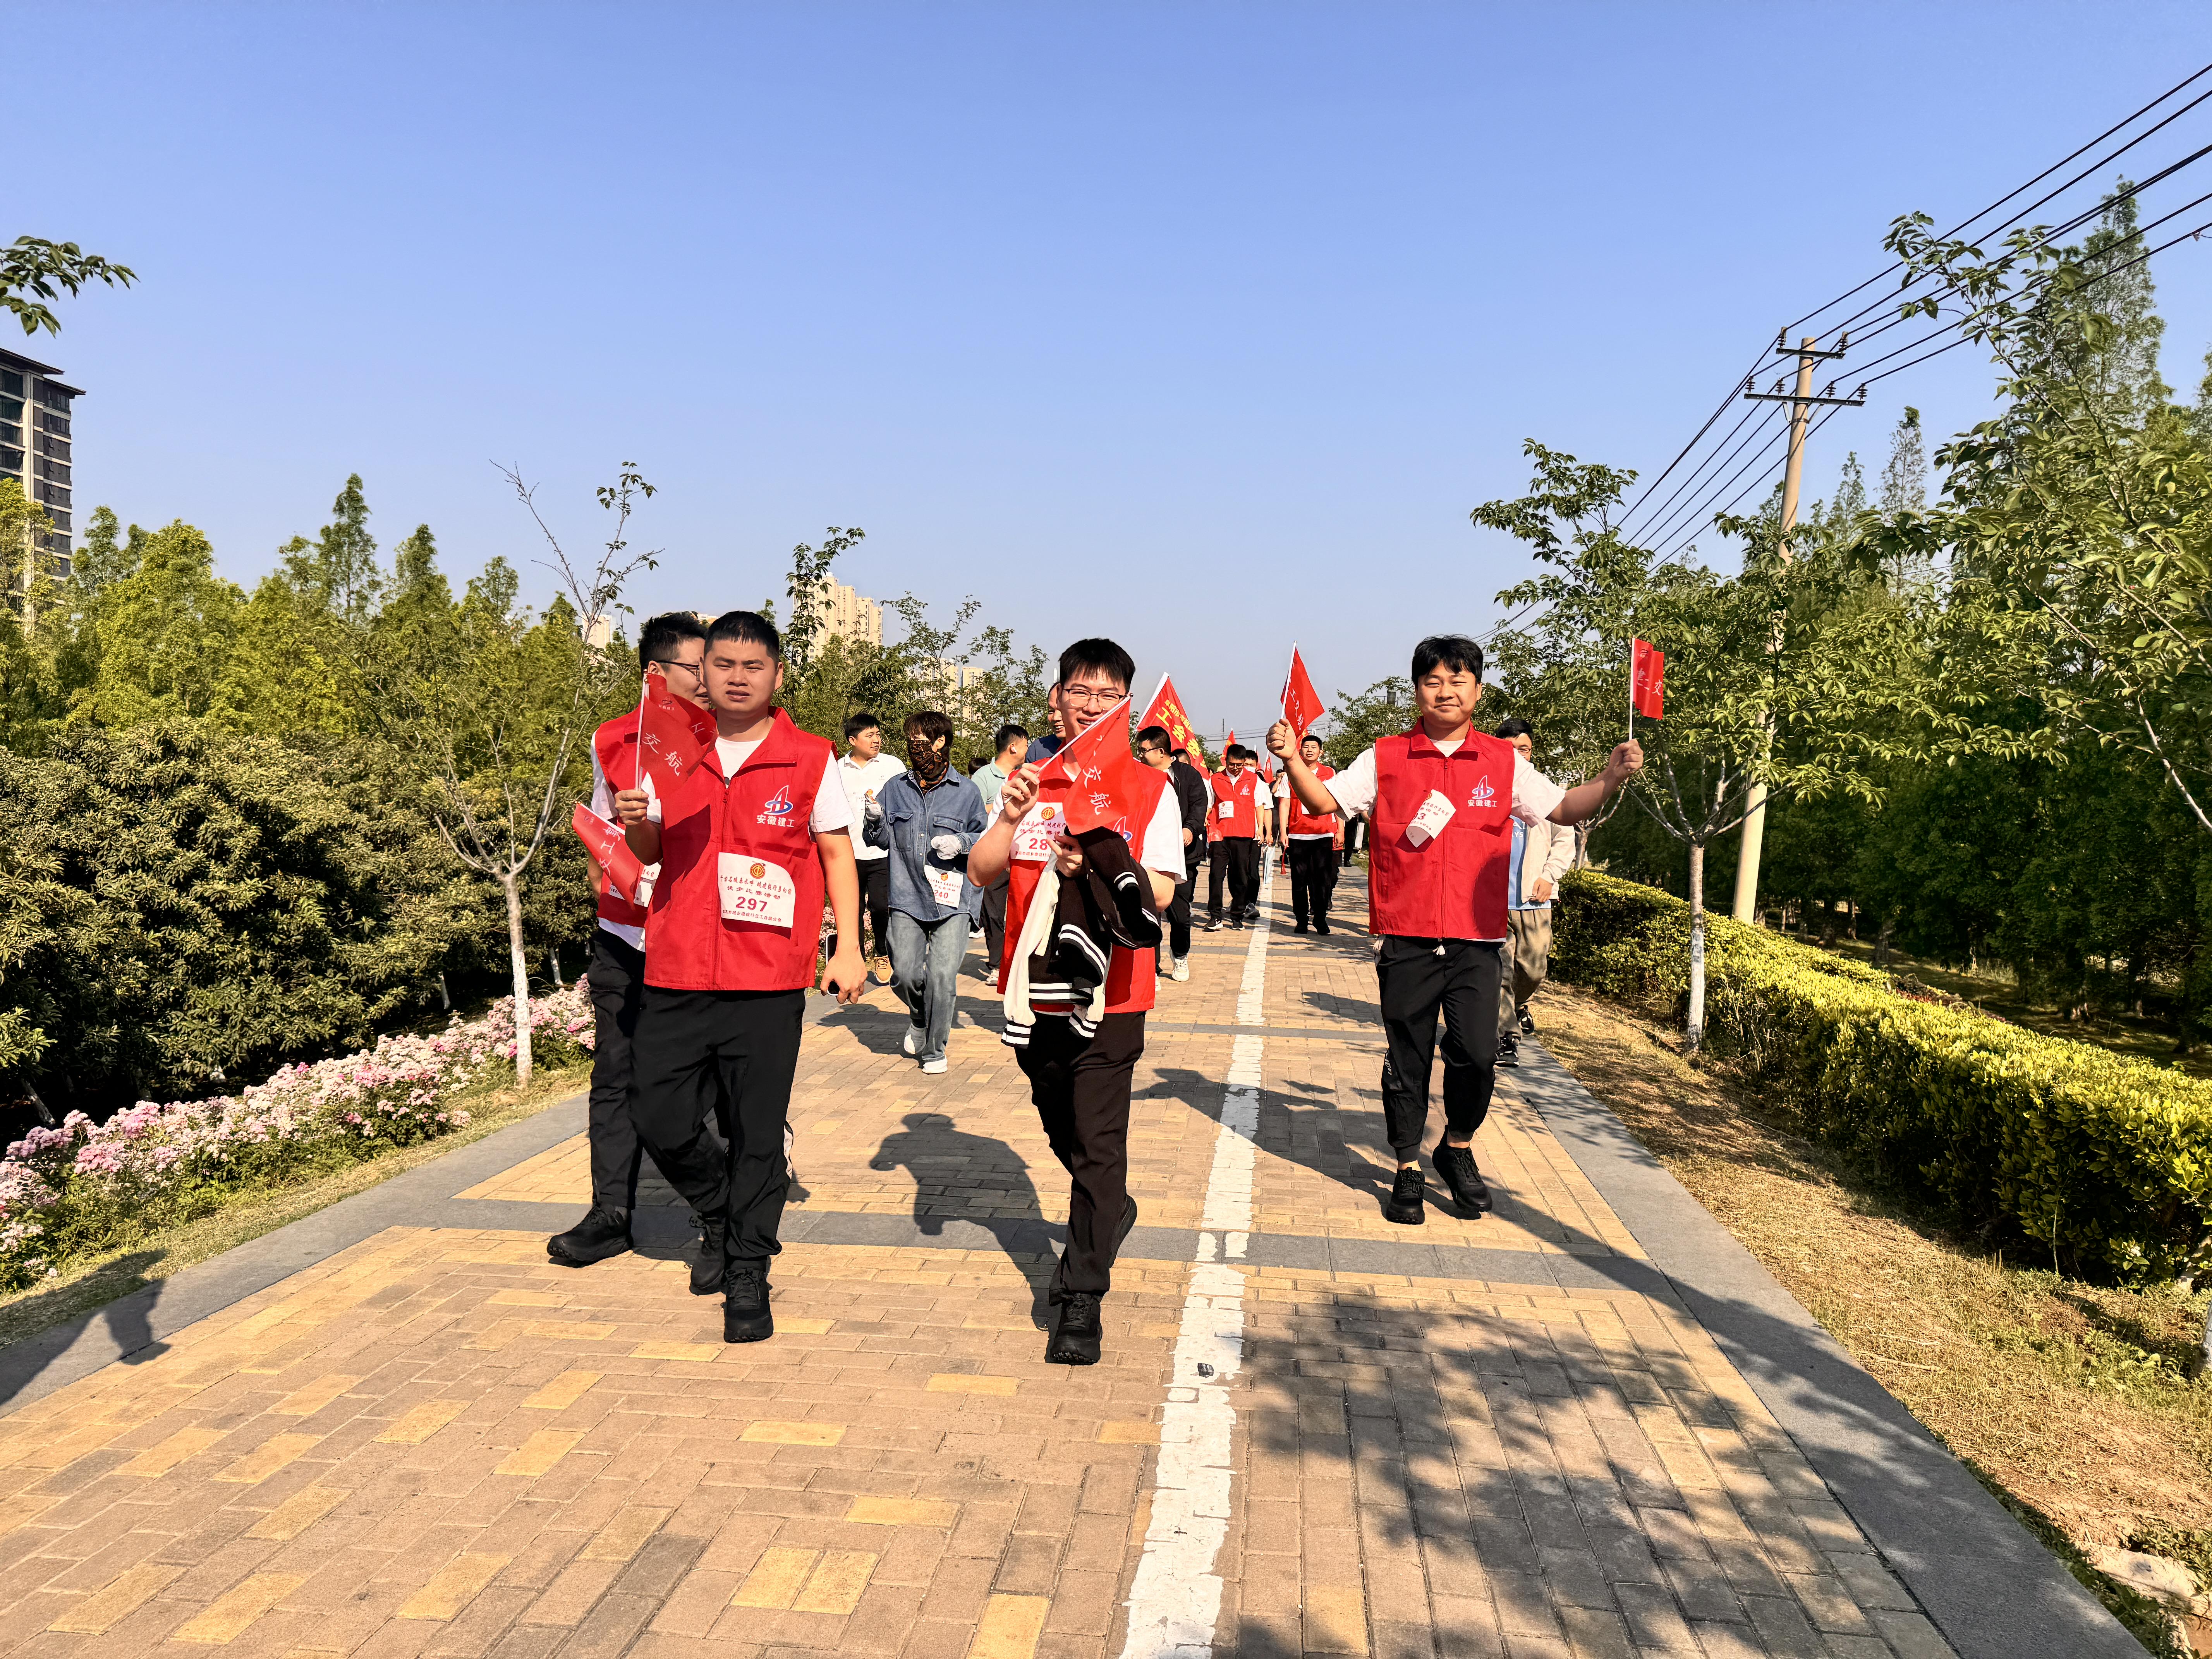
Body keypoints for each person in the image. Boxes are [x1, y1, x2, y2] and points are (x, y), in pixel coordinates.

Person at [1269, 634, 1640, 1227]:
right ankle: (1407, 1167)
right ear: (1417, 690)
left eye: (1457, 681)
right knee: (1408, 1058)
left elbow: (1565, 809)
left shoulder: (1503, 761)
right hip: (1407, 937)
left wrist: (1611, 777)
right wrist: (1293, 761)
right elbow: (1320, 803)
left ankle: (1457, 1146)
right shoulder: (1386, 755)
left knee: (1477, 1054)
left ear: (1478, 691)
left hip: (1478, 939)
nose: (1445, 691)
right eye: (1433, 681)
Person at [615, 611, 866, 1343]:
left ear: (777, 675)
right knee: (656, 1114)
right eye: (721, 663)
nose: (735, 677)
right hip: (677, 966)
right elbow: (649, 849)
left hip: (767, 977)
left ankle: (748, 1269)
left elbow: (837, 854)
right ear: (701, 671)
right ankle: (724, 1209)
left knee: (757, 1130)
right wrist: (637, 819)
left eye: (753, 666)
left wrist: (848, 947)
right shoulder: (670, 748)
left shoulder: (811, 758)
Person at [968, 639, 1184, 1366]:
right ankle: (1110, 1205)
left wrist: (1095, 860)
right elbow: (983, 871)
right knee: (1059, 1119)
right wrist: (1008, 817)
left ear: (1126, 705)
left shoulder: (1149, 789)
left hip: (1114, 992)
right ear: (1055, 698)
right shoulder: (1031, 781)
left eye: (1107, 694)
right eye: (1079, 691)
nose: (1091, 704)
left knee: (1097, 1143)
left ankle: (1081, 1295)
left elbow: (1162, 890)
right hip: (1035, 992)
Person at [549, 611, 709, 1269]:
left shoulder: (721, 741)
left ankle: (721, 1209)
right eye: (698, 668)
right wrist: (603, 873)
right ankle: (610, 1212)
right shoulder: (611, 738)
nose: (710, 680)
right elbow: (601, 819)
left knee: (700, 1077)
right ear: (656, 673)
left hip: (694, 936)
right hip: (622, 934)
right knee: (615, 1072)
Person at [865, 710, 988, 1073]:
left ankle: (934, 1051)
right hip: (907, 895)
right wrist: (875, 821)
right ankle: (919, 1017)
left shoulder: (966, 792)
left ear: (941, 742)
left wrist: (962, 841)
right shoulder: (896, 788)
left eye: (921, 740)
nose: (914, 747)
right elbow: (880, 840)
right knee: (904, 973)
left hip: (954, 900)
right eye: (911, 740)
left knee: (942, 977)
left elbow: (985, 837)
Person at [1493, 718, 1573, 1068]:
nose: (1517, 756)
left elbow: (1564, 840)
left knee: (1533, 969)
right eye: (1509, 749)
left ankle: (1519, 1004)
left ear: (1532, 752)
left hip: (1533, 899)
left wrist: (1549, 876)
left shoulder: (1545, 791)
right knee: (1499, 972)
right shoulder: (1484, 788)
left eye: (1523, 749)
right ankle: (1506, 1035)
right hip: (1491, 901)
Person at [838, 712, 906, 983]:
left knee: (880, 906)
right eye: (870, 735)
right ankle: (853, 958)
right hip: (847, 854)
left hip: (883, 853)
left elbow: (905, 802)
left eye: (878, 734)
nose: (877, 740)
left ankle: (882, 952)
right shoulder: (837, 769)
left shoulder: (893, 765)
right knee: (851, 910)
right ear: (853, 741)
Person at [1138, 725, 1209, 981]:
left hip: (1183, 856)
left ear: (1161, 752)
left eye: (1145, 750)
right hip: (1147, 857)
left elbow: (1200, 804)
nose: (1141, 755)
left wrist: (1190, 828)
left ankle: (1180, 955)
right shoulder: (1138, 774)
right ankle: (1151, 968)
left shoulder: (1187, 775)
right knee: (1148, 913)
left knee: (1180, 914)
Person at [972, 723, 1029, 977]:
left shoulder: (1027, 775)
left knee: (1024, 909)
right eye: (1026, 745)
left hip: (1023, 852)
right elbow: (974, 813)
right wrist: (1002, 805)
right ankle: (996, 964)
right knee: (993, 911)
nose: (1028, 750)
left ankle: (1021, 962)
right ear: (1013, 747)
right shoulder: (984, 776)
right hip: (995, 853)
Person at [1279, 732, 1341, 935]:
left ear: (1321, 752)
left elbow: (1337, 802)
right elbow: (1285, 803)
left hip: (1324, 834)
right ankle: (1301, 920)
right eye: (1306, 747)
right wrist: (1283, 831)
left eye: (1314, 747)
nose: (1310, 750)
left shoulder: (1330, 773)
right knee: (1299, 880)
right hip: (1299, 835)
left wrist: (1340, 829)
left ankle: (1320, 918)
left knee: (1322, 880)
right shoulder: (1290, 773)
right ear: (1300, 751)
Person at [1204, 745, 1265, 930]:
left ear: (1244, 762)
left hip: (1243, 835)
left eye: (1239, 765)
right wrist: (1205, 819)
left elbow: (1259, 806)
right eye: (1232, 764)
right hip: (1219, 835)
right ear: (1226, 761)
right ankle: (1215, 916)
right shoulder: (1215, 780)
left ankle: (1237, 916)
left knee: (1241, 877)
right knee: (1216, 875)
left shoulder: (1253, 780)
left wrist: (1261, 829)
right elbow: (1210, 803)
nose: (1235, 768)